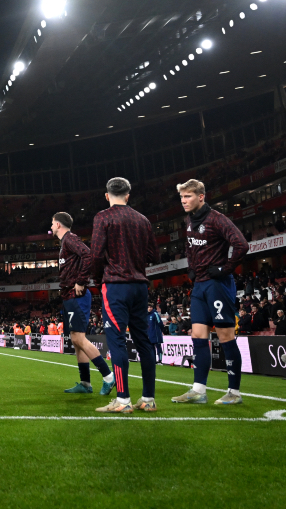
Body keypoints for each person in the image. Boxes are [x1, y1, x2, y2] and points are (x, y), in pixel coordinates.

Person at [171, 179, 248, 407]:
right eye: (182, 197)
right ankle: (198, 391)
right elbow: (189, 246)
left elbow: (241, 244)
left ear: (201, 196)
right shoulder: (188, 220)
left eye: (188, 196)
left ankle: (234, 391)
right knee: (197, 337)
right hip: (200, 286)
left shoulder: (217, 219)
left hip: (218, 284)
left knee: (225, 337)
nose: (184, 201)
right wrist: (191, 269)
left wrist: (225, 268)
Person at [89, 177, 158, 413]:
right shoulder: (143, 219)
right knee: (143, 341)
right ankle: (148, 399)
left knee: (117, 340)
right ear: (128, 195)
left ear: (107, 195)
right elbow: (153, 254)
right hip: (140, 285)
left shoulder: (103, 217)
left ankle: (123, 400)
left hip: (116, 285)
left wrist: (98, 279)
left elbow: (96, 254)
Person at [53, 211, 114, 396]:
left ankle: (108, 377)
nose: (50, 226)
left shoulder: (70, 239)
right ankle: (85, 383)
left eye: (52, 223)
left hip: (76, 295)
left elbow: (88, 255)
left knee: (79, 339)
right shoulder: (65, 243)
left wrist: (81, 281)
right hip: (69, 295)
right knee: (75, 339)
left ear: (58, 225)